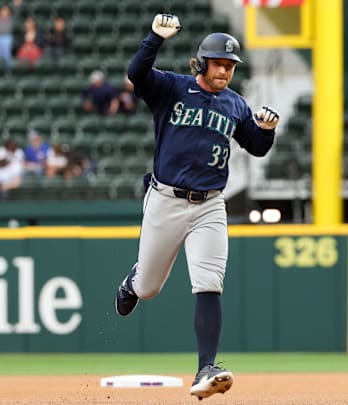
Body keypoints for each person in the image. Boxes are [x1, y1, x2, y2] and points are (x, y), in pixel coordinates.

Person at [114, 14, 279, 401]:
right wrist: (154, 38)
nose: (225, 70)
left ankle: (206, 367)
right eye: (220, 63)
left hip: (210, 205)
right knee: (150, 288)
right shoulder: (173, 87)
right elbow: (137, 74)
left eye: (231, 65)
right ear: (202, 62)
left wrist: (267, 131)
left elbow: (255, 146)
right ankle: (134, 281)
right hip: (166, 200)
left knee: (209, 281)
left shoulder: (235, 104)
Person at [0, 0, 23, 70]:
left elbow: (17, 13)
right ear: (0, 12)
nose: (4, 12)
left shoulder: (11, 19)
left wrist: (17, 5)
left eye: (6, 11)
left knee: (7, 55)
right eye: (3, 11)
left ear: (9, 12)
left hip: (7, 37)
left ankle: (8, 70)